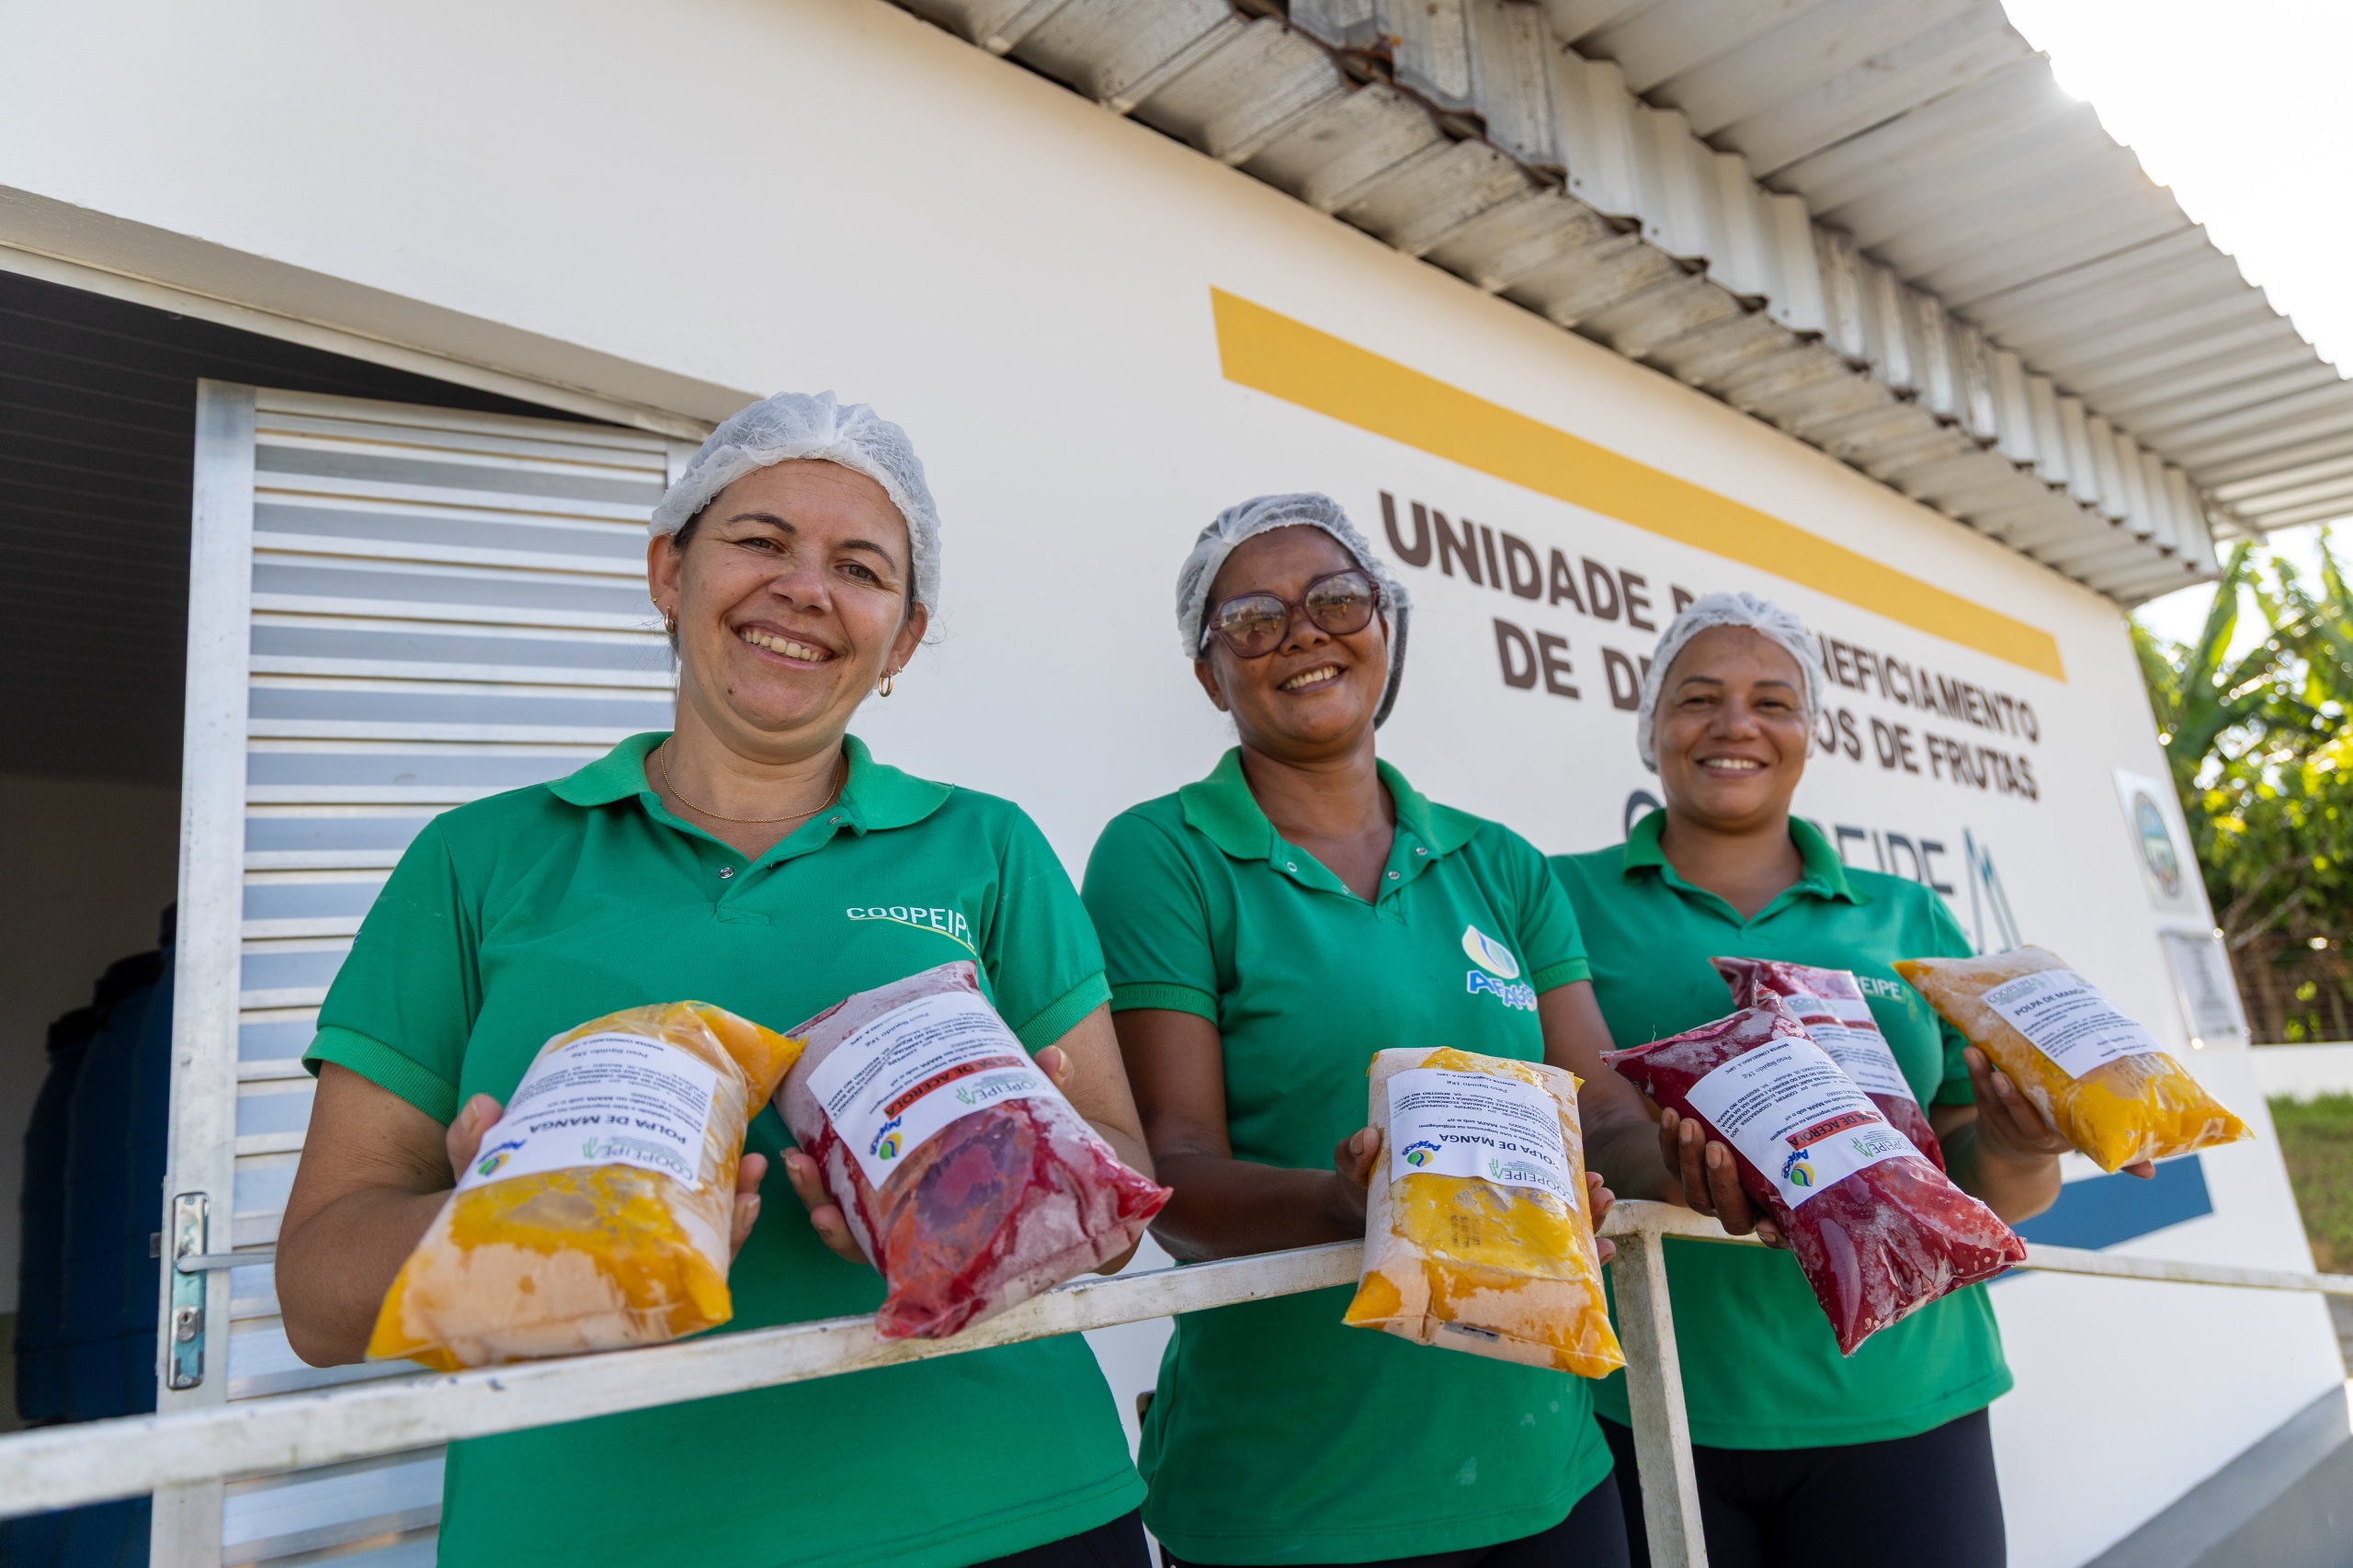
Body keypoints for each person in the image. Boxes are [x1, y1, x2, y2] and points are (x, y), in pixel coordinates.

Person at [275, 392, 1159, 1568]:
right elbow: (318, 1297)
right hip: (591, 1536)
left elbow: (1122, 1199)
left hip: (1007, 1508)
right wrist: (517, 1232)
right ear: (667, 573)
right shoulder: (478, 858)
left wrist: (1008, 1186)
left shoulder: (986, 846)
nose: (804, 586)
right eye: (759, 539)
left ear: (901, 639)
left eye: (859, 564)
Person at [1082, 494, 1655, 1568]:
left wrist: (1702, 1164)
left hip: (1542, 1466)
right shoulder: (1163, 855)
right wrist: (1349, 1205)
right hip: (1291, 1490)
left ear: (1387, 629)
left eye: (1338, 598)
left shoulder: (1500, 863)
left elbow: (1604, 1106)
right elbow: (1172, 1171)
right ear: (1210, 674)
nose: (1303, 629)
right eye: (1250, 617)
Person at [1550, 592, 2149, 1568]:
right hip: (1654, 1398)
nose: (1736, 723)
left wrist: (2017, 1140)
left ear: (1810, 731)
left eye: (1772, 700)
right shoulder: (1559, 897)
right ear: (1650, 722)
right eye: (1699, 696)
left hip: (1905, 1399)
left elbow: (1989, 1188)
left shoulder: (1905, 917)